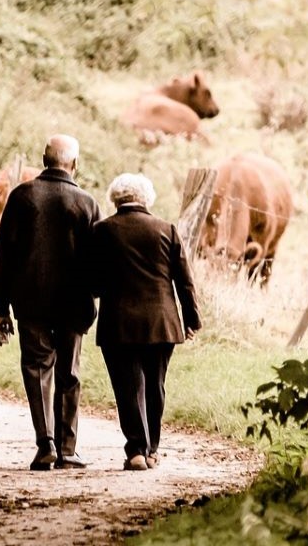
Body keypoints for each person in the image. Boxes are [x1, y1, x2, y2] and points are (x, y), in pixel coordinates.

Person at [0, 134, 102, 471]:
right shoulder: (86, 203)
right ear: (75, 164)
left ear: (43, 159)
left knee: (37, 370)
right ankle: (68, 450)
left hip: (31, 302)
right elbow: (96, 261)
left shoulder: (22, 197)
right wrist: (94, 296)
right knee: (69, 372)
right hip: (74, 304)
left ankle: (46, 444)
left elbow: (4, 257)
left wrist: (1, 309)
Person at [90, 173, 201, 471]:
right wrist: (191, 319)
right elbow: (185, 282)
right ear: (147, 198)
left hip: (118, 323)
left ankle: (136, 450)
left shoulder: (102, 231)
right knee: (155, 385)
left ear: (115, 198)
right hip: (162, 322)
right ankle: (152, 449)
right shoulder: (167, 230)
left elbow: (94, 283)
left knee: (128, 387)